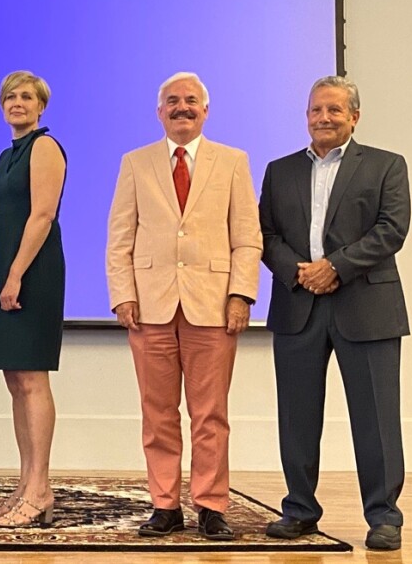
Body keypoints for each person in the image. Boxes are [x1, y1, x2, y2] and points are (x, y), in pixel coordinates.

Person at [105, 72, 261, 540]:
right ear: (160, 112)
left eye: (191, 100)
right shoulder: (135, 162)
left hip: (213, 307)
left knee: (210, 413)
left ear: (206, 110)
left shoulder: (233, 162)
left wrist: (240, 294)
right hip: (149, 307)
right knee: (158, 413)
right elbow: (120, 239)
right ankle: (165, 505)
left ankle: (212, 506)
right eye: (172, 101)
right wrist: (123, 295)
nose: (182, 107)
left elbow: (247, 238)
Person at [260, 76, 409, 551]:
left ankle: (384, 517)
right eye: (315, 110)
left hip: (366, 306)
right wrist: (300, 272)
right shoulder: (278, 170)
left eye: (334, 111)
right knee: (297, 417)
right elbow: (264, 234)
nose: (323, 118)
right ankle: (300, 511)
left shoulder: (387, 165)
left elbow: (392, 229)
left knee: (376, 419)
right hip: (298, 305)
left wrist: (336, 268)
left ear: (354, 117)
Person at [0, 71, 66, 527]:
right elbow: (4, 223)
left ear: (41, 106)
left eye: (27, 96)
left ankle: (40, 487)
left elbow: (42, 216)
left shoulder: (44, 147)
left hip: (34, 276)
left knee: (33, 380)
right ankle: (27, 482)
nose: (17, 102)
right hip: (7, 275)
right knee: (16, 382)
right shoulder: (6, 154)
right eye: (10, 95)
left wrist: (14, 277)